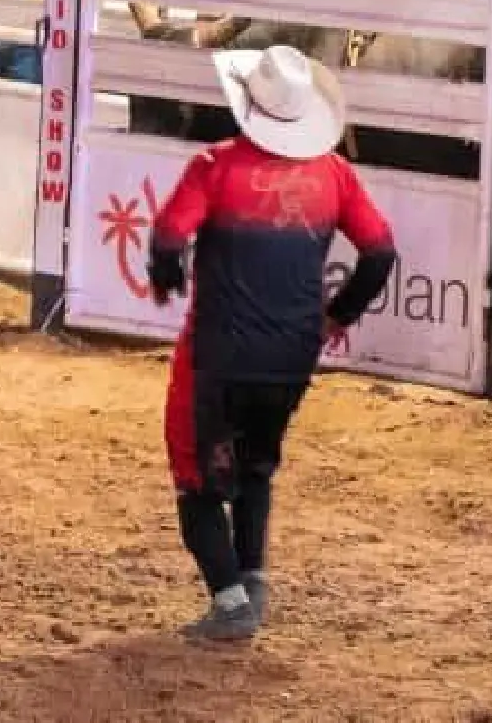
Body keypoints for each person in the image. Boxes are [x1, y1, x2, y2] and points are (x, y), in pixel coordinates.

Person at [148, 44, 397, 641]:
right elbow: (381, 251)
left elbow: (166, 239)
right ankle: (251, 583)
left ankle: (231, 603)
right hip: (292, 355)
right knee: (257, 467)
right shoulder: (333, 174)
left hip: (219, 355)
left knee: (197, 475)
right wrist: (340, 313)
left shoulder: (215, 166)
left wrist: (167, 278)